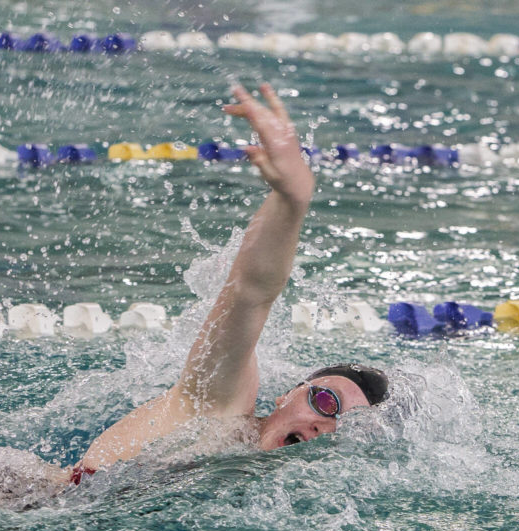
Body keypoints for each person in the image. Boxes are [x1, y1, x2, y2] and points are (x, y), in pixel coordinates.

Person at [70, 83, 388, 483]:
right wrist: (292, 200)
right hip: (1, 498)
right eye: (325, 401)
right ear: (287, 395)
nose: (324, 427)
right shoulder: (217, 409)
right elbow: (250, 294)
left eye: (347, 427)